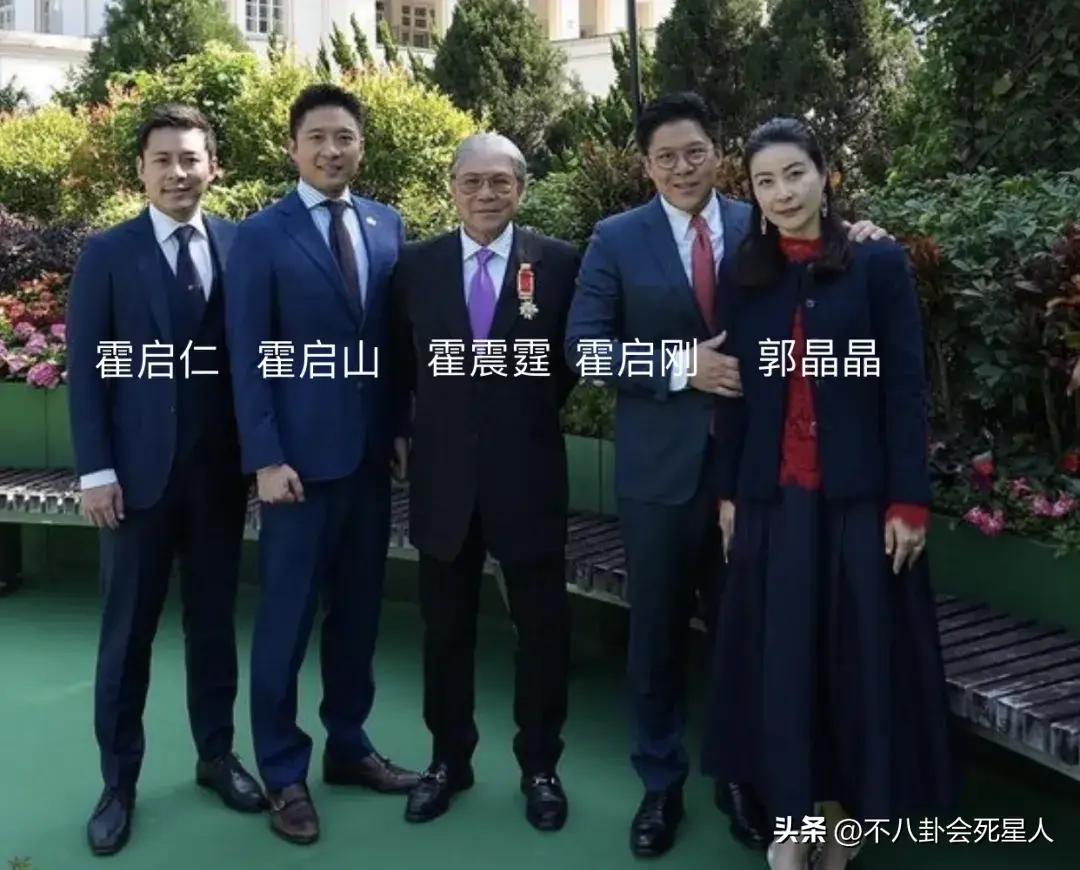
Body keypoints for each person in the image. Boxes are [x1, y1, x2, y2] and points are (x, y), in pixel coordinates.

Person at [564, 92, 888, 859]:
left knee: (749, 635)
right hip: (660, 475)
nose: (683, 168)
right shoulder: (615, 239)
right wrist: (684, 367)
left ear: (718, 152)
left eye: (695, 152)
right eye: (666, 157)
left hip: (758, 474)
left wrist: (864, 236)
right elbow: (584, 348)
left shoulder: (760, 222)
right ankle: (660, 783)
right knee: (656, 634)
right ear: (646, 166)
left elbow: (828, 261)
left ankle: (741, 778)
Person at [703, 117, 958, 870]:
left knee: (856, 665)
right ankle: (792, 822)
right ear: (752, 193)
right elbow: (734, 397)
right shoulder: (745, 274)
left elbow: (904, 390)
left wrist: (909, 502)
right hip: (772, 500)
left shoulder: (877, 264)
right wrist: (729, 495)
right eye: (765, 181)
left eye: (795, 174)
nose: (782, 193)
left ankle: (842, 822)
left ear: (825, 175)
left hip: (858, 503)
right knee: (782, 665)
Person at [67, 104, 264, 857]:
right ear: (141, 171)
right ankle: (118, 784)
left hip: (218, 481)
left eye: (191, 159)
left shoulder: (242, 245)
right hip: (134, 484)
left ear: (214, 166)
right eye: (163, 160)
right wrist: (96, 471)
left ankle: (217, 756)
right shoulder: (108, 254)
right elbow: (89, 370)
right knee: (128, 637)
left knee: (213, 626)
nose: (178, 173)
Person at [226, 84, 418, 846]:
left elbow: (392, 345)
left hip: (368, 463)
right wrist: (266, 457)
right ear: (293, 148)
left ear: (360, 147)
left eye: (344, 138)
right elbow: (248, 356)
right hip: (297, 472)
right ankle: (282, 771)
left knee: (359, 616)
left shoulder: (386, 225)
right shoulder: (261, 236)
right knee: (285, 623)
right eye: (317, 138)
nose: (332, 151)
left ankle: (348, 745)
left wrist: (399, 425)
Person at [391, 133, 580, 831]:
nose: (485, 194)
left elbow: (568, 362)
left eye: (500, 181)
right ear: (451, 188)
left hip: (527, 473)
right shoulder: (416, 266)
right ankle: (448, 761)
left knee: (542, 632)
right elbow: (399, 361)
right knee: (445, 631)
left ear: (521, 189)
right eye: (471, 181)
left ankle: (541, 767)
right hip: (443, 478)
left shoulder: (558, 263)